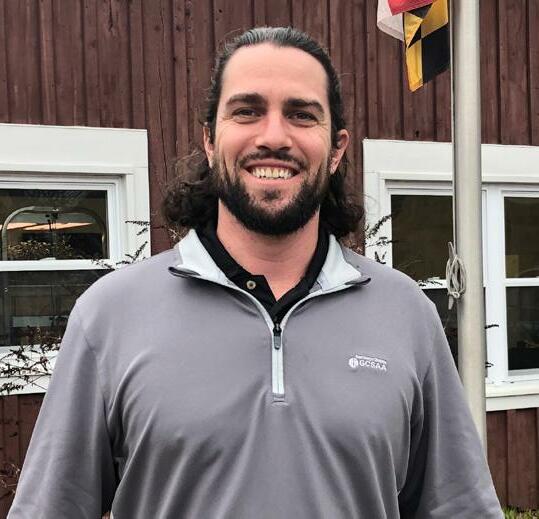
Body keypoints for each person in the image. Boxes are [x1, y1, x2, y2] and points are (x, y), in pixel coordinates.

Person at [9, 27, 502, 518]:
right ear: (210, 140)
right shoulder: (109, 315)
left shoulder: (406, 314)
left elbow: (460, 508)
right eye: (247, 111)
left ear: (336, 149)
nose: (273, 137)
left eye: (301, 114)